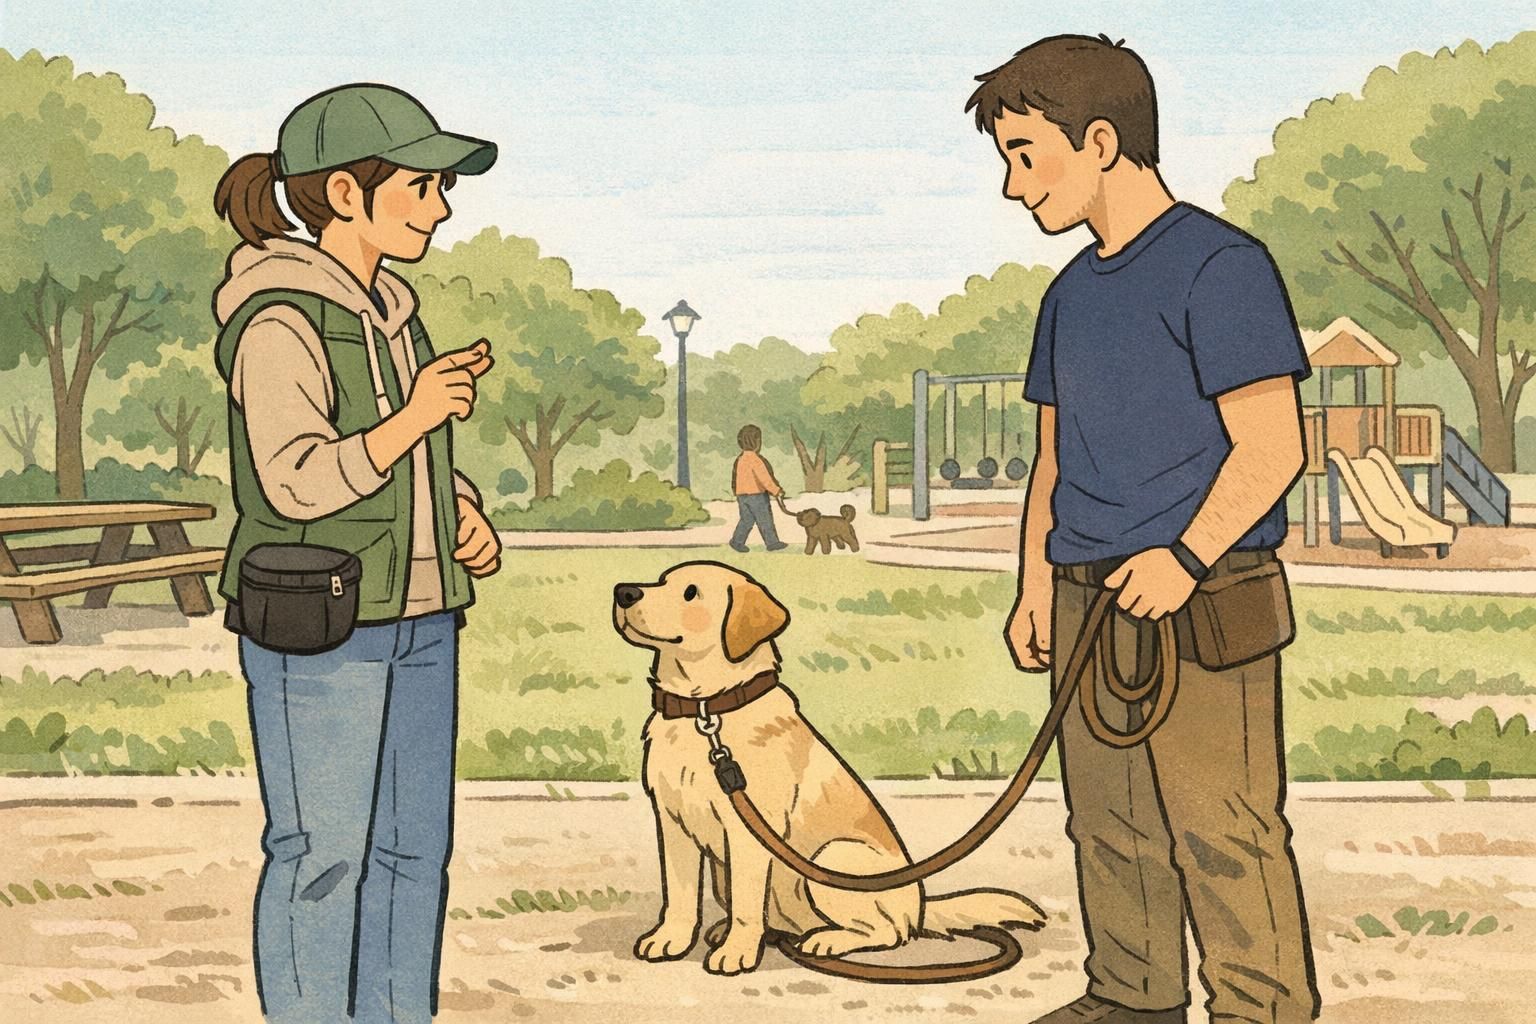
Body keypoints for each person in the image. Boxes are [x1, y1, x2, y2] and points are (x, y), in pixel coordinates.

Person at [969, 35, 1323, 1024]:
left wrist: (1185, 555)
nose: (1012, 186)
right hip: (1087, 594)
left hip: (1206, 598)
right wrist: (1035, 587)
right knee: (1110, 823)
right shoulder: (1067, 298)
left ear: (1101, 141)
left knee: (1224, 827)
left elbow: (1272, 447)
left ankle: (1263, 1009)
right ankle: (1132, 997)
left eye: (1026, 156)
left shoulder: (1224, 268)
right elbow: (1050, 461)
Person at [211, 84, 502, 1024]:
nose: (442, 206)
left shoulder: (395, 313)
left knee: (416, 854)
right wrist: (416, 414)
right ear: (346, 193)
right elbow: (295, 480)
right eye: (422, 186)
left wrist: (460, 511)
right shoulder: (277, 321)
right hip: (322, 624)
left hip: (424, 616)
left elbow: (401, 461)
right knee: (323, 857)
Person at [729, 424, 789, 552]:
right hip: (756, 495)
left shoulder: (740, 459)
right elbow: (765, 479)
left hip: (742, 496)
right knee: (765, 520)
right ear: (756, 441)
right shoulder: (756, 459)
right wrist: (776, 491)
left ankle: (737, 541)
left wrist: (737, 492)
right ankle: (772, 543)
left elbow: (735, 478)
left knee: (746, 520)